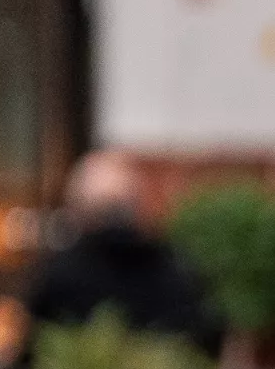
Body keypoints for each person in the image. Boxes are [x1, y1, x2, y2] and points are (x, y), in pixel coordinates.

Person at [25, 149, 216, 350]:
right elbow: (204, 341)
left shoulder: (60, 274)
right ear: (136, 205)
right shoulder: (178, 268)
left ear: (81, 210)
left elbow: (35, 350)